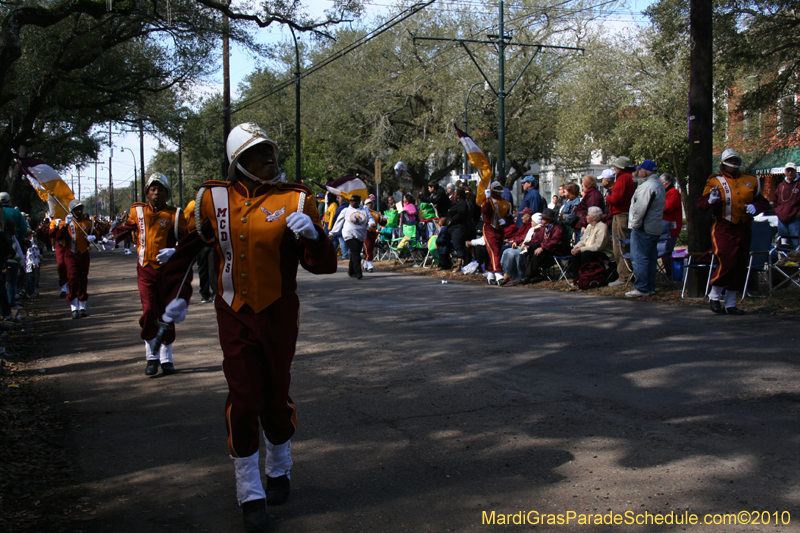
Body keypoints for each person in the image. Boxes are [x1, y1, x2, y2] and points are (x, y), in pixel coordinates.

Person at [160, 123, 337, 532]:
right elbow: (191, 249)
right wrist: (176, 296)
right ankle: (249, 489)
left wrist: (314, 236)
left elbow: (324, 265)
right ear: (239, 161)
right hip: (233, 311)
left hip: (278, 312)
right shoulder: (211, 198)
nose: (270, 159)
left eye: (271, 151)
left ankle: (279, 466)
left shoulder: (297, 199)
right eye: (259, 153)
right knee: (244, 399)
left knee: (275, 395)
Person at [113, 173, 188, 376]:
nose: (156, 193)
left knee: (166, 313)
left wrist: (176, 251)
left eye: (161, 190)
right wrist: (110, 236)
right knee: (149, 312)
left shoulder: (175, 214)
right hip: (145, 270)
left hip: (167, 272)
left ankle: (166, 357)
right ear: (147, 192)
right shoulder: (137, 211)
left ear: (167, 194)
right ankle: (151, 356)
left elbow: (189, 241)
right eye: (153, 189)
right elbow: (124, 229)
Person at [698, 148, 769, 315]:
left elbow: (763, 202)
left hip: (744, 226)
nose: (734, 164)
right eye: (731, 161)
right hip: (724, 225)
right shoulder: (715, 181)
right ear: (723, 164)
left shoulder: (751, 180)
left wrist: (755, 207)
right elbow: (701, 204)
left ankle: (730, 302)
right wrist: (710, 200)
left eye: (736, 161)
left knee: (739, 263)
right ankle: (714, 295)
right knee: (727, 260)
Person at [626, 160, 666, 297]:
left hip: (644, 227)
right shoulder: (659, 184)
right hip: (654, 227)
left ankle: (642, 287)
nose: (637, 172)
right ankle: (649, 286)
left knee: (639, 258)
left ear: (644, 171)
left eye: (639, 169)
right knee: (650, 258)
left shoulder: (646, 186)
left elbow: (639, 208)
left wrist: (635, 225)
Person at [56, 200, 99, 318]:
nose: (79, 211)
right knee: (72, 279)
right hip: (70, 253)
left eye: (80, 209)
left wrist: (94, 237)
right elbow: (59, 237)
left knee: (83, 279)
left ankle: (82, 306)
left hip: (84, 254)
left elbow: (97, 234)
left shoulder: (88, 223)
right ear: (71, 211)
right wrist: (65, 225)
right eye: (76, 209)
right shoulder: (66, 223)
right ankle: (74, 307)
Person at [606, 157, 636, 287]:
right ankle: (626, 274)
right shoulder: (628, 177)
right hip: (624, 213)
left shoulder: (623, 178)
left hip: (621, 214)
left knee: (620, 245)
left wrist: (608, 197)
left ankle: (624, 276)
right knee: (623, 244)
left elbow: (617, 198)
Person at [516, 208, 566, 284]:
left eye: (543, 218)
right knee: (531, 249)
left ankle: (528, 276)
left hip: (554, 250)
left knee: (537, 251)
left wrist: (543, 248)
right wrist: (529, 244)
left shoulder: (557, 228)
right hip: (544, 249)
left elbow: (554, 241)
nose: (541, 220)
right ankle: (535, 275)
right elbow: (537, 239)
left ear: (548, 219)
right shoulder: (543, 228)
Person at [332, 194, 374, 279]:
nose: (352, 202)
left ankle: (351, 271)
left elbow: (370, 218)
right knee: (356, 252)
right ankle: (358, 273)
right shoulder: (346, 210)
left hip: (360, 235)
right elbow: (338, 222)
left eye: (354, 200)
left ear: (359, 201)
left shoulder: (365, 210)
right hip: (349, 234)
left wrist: (371, 223)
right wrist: (333, 232)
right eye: (350, 200)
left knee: (355, 252)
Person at [569, 206, 613, 281]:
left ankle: (587, 277)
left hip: (603, 252)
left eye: (588, 215)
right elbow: (583, 240)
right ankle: (577, 278)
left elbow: (598, 246)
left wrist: (581, 249)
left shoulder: (602, 228)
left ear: (594, 218)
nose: (586, 217)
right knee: (575, 255)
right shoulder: (589, 226)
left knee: (585, 255)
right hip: (588, 250)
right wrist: (576, 247)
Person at [481, 182, 512, 285]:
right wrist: (487, 199)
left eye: (500, 187)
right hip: (489, 228)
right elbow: (485, 211)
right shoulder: (488, 201)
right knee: (494, 251)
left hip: (500, 229)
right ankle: (499, 274)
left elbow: (509, 217)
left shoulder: (507, 203)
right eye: (496, 187)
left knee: (496, 252)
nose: (498, 189)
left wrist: (505, 221)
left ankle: (490, 275)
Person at [501, 212, 543, 285]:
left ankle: (517, 274)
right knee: (506, 251)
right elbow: (524, 236)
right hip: (524, 245)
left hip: (529, 248)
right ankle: (505, 272)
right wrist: (516, 241)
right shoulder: (532, 229)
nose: (531, 222)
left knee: (512, 253)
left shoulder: (540, 229)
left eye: (533, 221)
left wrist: (526, 244)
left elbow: (536, 240)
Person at [773, 162, 800, 250]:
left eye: (792, 170)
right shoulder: (781, 185)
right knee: (784, 245)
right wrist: (778, 212)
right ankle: (784, 262)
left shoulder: (799, 184)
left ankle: (796, 263)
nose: (790, 173)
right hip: (782, 220)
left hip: (795, 220)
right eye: (788, 170)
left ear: (795, 171)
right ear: (785, 171)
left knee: (796, 243)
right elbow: (775, 201)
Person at [446, 188, 474, 271]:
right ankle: (463, 263)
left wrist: (452, 220)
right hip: (457, 228)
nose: (453, 195)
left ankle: (459, 265)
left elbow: (461, 214)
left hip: (459, 228)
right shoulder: (461, 203)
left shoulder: (463, 204)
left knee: (459, 246)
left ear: (458, 195)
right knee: (460, 246)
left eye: (455, 194)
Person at [660, 172, 683, 279]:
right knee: (664, 252)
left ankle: (671, 274)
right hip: (665, 226)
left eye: (662, 183)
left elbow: (667, 207)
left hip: (671, 228)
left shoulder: (673, 193)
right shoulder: (666, 193)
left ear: (668, 183)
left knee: (667, 251)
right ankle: (669, 273)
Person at [3, 220, 23, 310]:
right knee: (12, 283)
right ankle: (11, 302)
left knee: (8, 283)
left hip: (7, 262)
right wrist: (21, 262)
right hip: (12, 262)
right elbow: (15, 252)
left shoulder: (7, 237)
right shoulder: (11, 238)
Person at [362, 197, 384, 272]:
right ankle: (370, 265)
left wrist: (384, 219)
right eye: (367, 203)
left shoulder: (376, 213)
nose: (369, 205)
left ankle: (365, 264)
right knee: (367, 247)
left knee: (371, 248)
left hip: (373, 232)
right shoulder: (363, 213)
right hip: (366, 232)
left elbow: (381, 223)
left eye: (370, 203)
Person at [24, 231, 40, 298]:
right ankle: (29, 292)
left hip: (33, 263)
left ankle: (32, 290)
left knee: (33, 277)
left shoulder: (32, 244)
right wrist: (33, 263)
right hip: (29, 264)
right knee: (30, 278)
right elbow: (30, 255)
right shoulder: (28, 244)